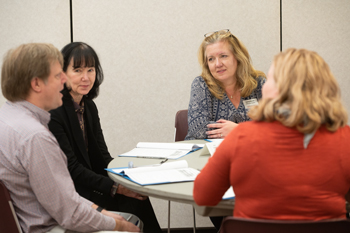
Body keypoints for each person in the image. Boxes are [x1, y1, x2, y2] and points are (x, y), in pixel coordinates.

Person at [193, 48, 350, 221]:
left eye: (270, 79)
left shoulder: (242, 136)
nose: (264, 84)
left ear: (280, 90)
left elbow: (203, 196)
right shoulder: (345, 138)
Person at [0, 43, 140, 233]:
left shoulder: (7, 116)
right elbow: (70, 214)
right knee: (131, 222)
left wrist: (99, 210)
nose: (64, 80)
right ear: (36, 84)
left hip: (42, 215)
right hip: (51, 227)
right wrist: (119, 224)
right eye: (58, 75)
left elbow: (61, 196)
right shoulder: (35, 137)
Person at [48, 42, 162, 233]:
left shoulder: (89, 106)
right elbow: (72, 168)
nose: (86, 77)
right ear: (62, 74)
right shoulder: (55, 111)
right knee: (133, 201)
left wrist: (128, 178)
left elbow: (102, 156)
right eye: (77, 70)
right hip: (74, 194)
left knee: (138, 195)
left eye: (91, 69)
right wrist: (116, 188)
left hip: (90, 186)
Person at [185, 29, 266, 140]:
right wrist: (251, 132)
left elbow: (278, 127)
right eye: (211, 59)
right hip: (204, 154)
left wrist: (239, 130)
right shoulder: (201, 85)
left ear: (237, 57)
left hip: (249, 152)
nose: (218, 64)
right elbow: (198, 129)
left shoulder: (259, 83)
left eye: (223, 56)